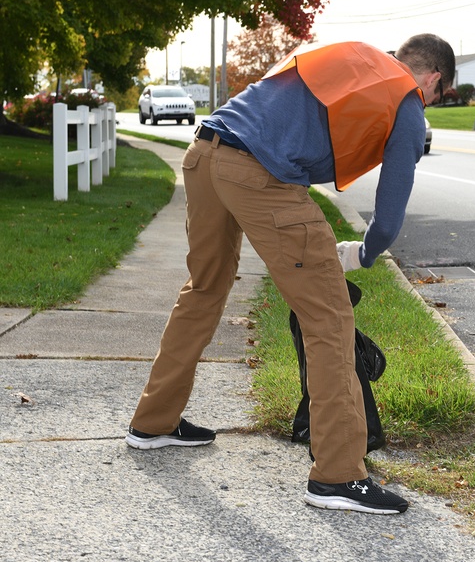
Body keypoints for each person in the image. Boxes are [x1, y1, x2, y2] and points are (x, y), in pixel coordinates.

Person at [124, 34, 456, 515]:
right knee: (328, 316)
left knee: (203, 289)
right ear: (434, 79)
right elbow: (388, 215)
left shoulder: (352, 55)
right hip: (259, 174)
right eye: (436, 97)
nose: (428, 102)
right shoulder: (406, 97)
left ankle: (152, 422)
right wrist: (364, 253)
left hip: (204, 152)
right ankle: (338, 476)